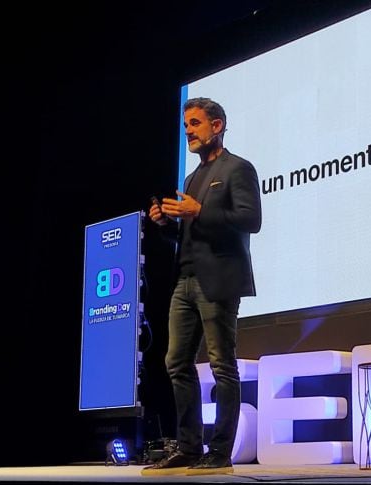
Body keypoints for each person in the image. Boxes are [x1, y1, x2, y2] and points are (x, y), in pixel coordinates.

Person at [142, 97, 262, 476]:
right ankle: (190, 447)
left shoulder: (238, 169)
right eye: (186, 126)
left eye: (195, 124)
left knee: (221, 365)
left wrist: (199, 211)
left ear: (218, 125)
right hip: (185, 280)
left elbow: (250, 219)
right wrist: (165, 224)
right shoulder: (192, 178)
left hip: (219, 279)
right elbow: (189, 234)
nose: (189, 132)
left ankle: (221, 451)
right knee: (176, 362)